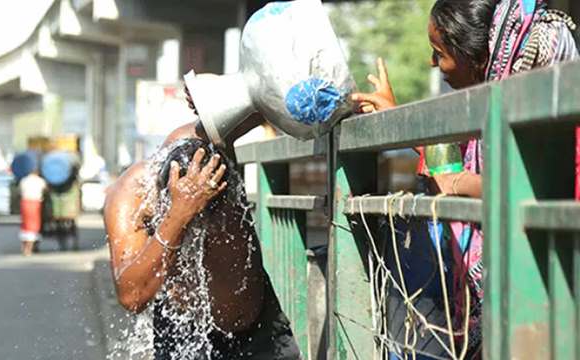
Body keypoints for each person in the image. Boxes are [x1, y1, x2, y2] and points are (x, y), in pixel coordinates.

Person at [351, 0, 577, 357]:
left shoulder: (548, 107)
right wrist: (395, 119)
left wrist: (464, 185)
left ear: (477, 57)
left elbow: (540, 191)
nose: (432, 63)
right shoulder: (491, 112)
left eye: (438, 53)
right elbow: (458, 166)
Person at [104, 112, 301, 359]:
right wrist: (178, 217)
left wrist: (342, 105)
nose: (207, 226)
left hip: (259, 329)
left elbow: (269, 101)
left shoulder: (212, 137)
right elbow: (131, 296)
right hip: (184, 331)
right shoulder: (133, 194)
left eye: (213, 212)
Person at [19, 171, 47, 256]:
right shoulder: (40, 181)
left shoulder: (24, 180)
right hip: (35, 204)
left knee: (25, 225)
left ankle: (24, 247)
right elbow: (46, 189)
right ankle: (28, 249)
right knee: (33, 226)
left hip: (24, 203)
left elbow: (19, 191)